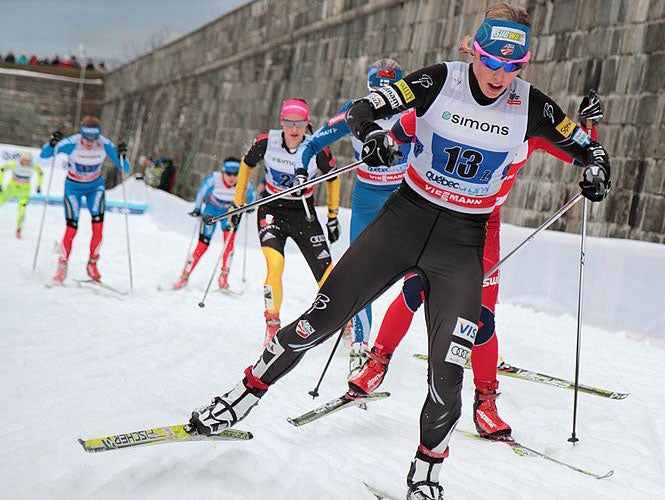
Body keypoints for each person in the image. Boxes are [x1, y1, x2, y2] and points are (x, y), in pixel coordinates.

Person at [188, 4, 611, 498]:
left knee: (448, 373)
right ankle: (240, 397)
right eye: (491, 61)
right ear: (474, 52)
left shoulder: (532, 106)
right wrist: (370, 137)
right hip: (403, 222)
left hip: (461, 243)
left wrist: (597, 170)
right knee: (316, 323)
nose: (499, 75)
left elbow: (585, 147)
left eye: (512, 66)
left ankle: (427, 473)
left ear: (523, 64)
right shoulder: (438, 81)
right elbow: (365, 110)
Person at [348, 91, 603, 441]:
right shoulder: (453, 113)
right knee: (414, 289)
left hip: (483, 225)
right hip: (437, 213)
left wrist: (591, 133)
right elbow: (402, 131)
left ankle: (486, 402)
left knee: (481, 317)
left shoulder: (530, 130)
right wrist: (382, 144)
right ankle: (377, 363)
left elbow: (585, 157)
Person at [295, 58, 413, 376]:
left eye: (390, 91)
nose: (383, 98)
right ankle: (360, 347)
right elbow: (312, 143)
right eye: (377, 90)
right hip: (366, 200)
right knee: (362, 273)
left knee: (419, 271)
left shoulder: (415, 110)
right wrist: (300, 170)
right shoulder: (355, 110)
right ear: (369, 87)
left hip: (403, 199)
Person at [233, 98, 341, 346]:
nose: (294, 129)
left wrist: (333, 216)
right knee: (275, 265)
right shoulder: (266, 142)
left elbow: (333, 179)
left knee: (327, 275)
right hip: (272, 209)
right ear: (281, 122)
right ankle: (272, 325)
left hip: (303, 212)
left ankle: (340, 322)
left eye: (300, 123)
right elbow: (246, 164)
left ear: (307, 123)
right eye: (289, 123)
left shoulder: (318, 147)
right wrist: (238, 202)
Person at [40, 115, 130, 284]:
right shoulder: (72, 143)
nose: (89, 143)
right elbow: (45, 155)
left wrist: (122, 155)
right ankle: (62, 264)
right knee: (72, 229)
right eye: (86, 139)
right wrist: (52, 143)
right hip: (73, 188)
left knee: (98, 228)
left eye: (93, 139)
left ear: (98, 135)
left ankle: (92, 264)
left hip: (94, 188)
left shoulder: (105, 144)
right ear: (81, 134)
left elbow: (125, 167)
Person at [173, 157, 254, 291]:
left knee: (229, 244)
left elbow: (251, 194)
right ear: (223, 172)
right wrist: (198, 209)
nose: (232, 178)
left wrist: (250, 206)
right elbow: (201, 192)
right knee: (202, 245)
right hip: (212, 211)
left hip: (229, 212)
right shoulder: (214, 179)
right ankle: (184, 276)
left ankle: (223, 278)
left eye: (235, 174)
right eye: (229, 173)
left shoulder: (242, 181)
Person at [0, 151, 44, 239]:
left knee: (22, 210)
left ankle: (19, 229)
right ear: (21, 159)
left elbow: (41, 173)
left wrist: (39, 185)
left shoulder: (33, 165)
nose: (25, 162)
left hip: (24, 191)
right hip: (11, 188)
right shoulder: (14, 164)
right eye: (24, 160)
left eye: (27, 160)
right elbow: (2, 170)